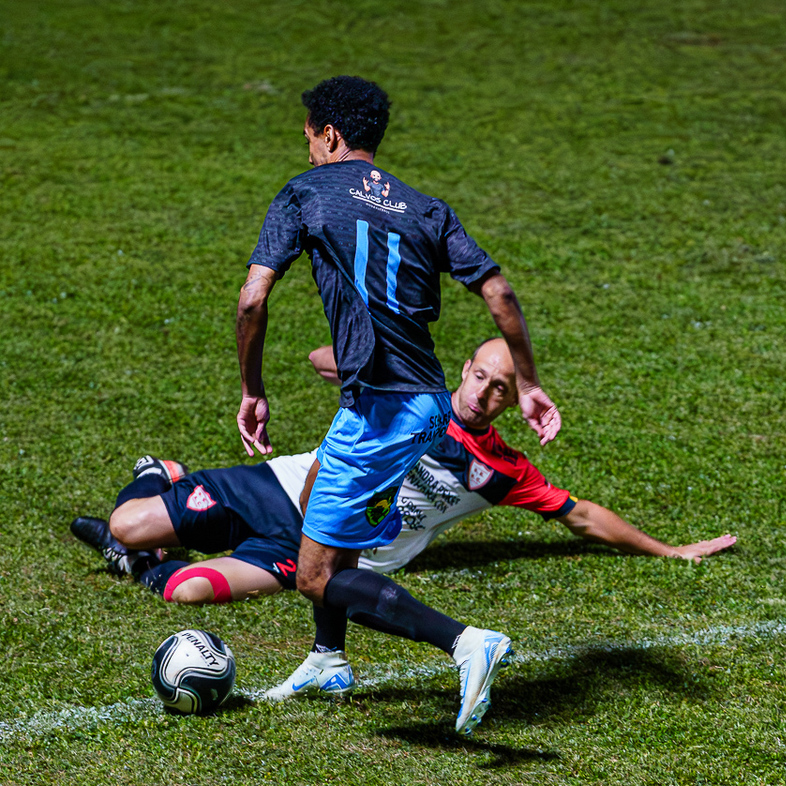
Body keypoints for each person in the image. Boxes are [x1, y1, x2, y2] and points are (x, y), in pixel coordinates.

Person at [237, 75, 559, 735]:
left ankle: (466, 643)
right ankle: (328, 658)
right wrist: (526, 381)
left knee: (313, 575)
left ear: (329, 134)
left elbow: (252, 299)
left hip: (382, 411)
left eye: (308, 135)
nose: (307, 148)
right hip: (419, 404)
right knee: (318, 498)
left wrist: (252, 389)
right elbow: (499, 294)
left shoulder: (304, 193)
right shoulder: (426, 208)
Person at [71, 341, 735, 595]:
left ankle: (141, 564)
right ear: (465, 370)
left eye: (500, 388)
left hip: (328, 556)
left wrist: (669, 550)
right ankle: (160, 472)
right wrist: (375, 362)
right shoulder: (413, 397)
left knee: (186, 589)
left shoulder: (502, 470)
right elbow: (318, 360)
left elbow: (580, 516)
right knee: (128, 523)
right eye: (480, 376)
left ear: (514, 401)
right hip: (282, 490)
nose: (483, 392)